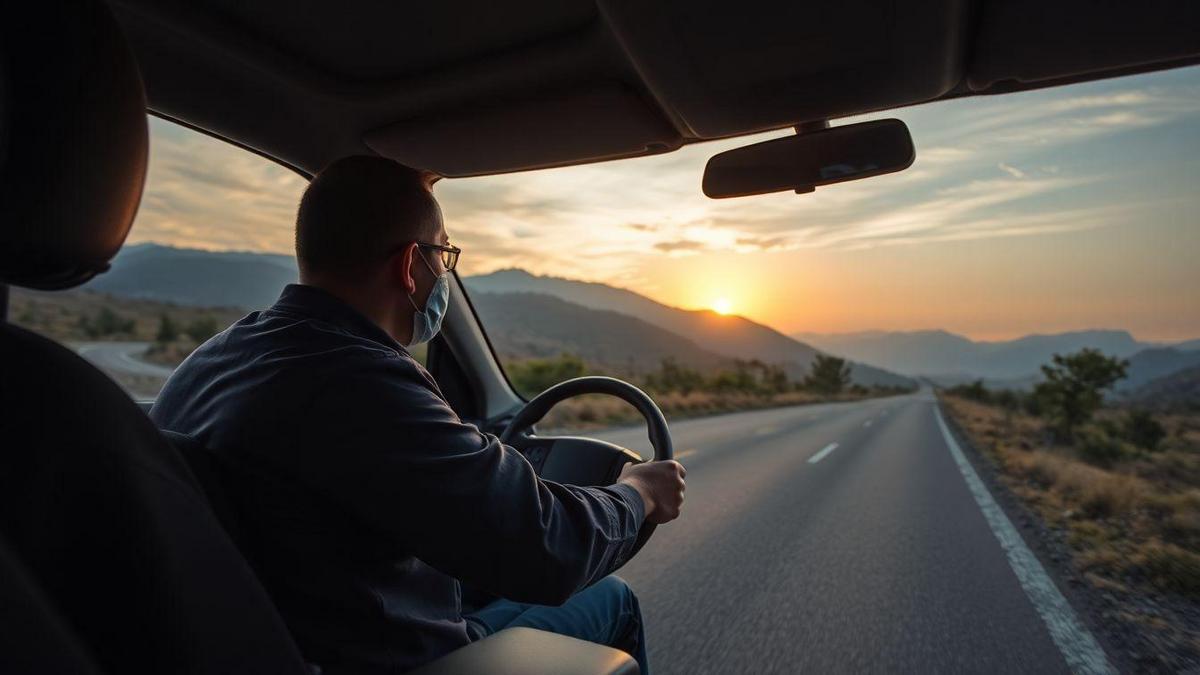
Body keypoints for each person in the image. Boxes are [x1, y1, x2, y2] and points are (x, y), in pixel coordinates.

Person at [150, 156, 685, 675]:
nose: (443, 273)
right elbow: (547, 549)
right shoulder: (359, 380)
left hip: (288, 640)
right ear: (410, 265)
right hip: (394, 657)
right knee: (612, 600)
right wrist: (638, 493)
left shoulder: (220, 355)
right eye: (443, 255)